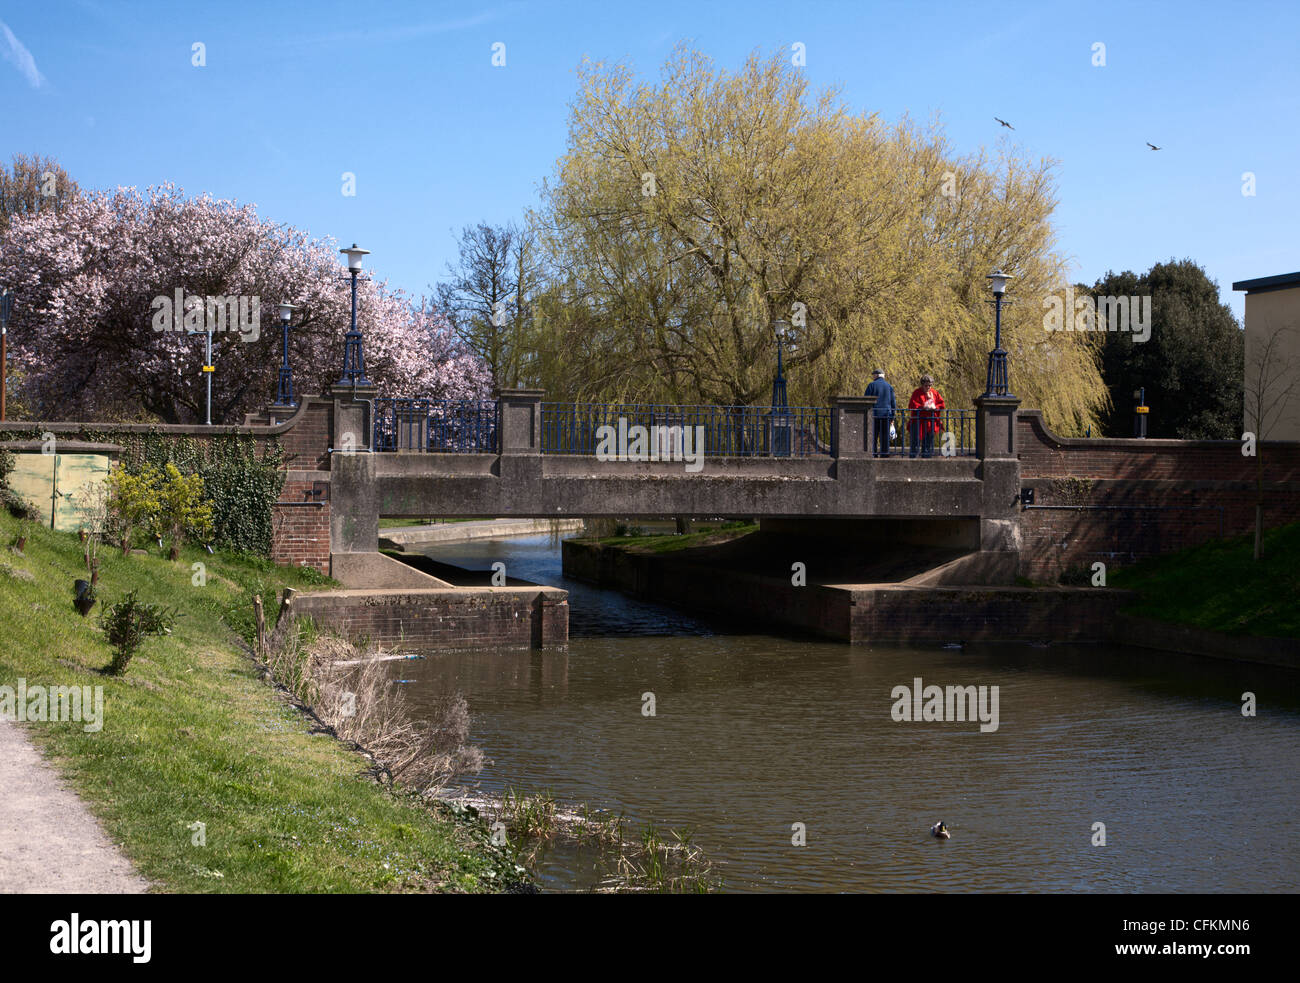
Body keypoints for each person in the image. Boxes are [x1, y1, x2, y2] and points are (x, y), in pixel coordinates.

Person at [907, 374, 945, 458]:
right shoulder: (917, 393)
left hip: (930, 422)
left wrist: (935, 407)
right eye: (926, 385)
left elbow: (941, 404)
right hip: (918, 422)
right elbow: (912, 405)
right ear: (922, 385)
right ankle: (913, 458)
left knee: (928, 442)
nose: (928, 387)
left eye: (930, 385)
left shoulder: (935, 393)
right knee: (915, 442)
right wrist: (923, 407)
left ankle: (927, 457)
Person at [863, 368, 896, 457]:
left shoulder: (871, 385)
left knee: (873, 436)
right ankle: (885, 454)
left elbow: (866, 400)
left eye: (873, 375)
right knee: (885, 436)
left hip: (874, 415)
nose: (872, 377)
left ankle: (873, 454)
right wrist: (892, 417)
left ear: (876, 375)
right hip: (886, 415)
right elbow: (893, 403)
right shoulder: (889, 386)